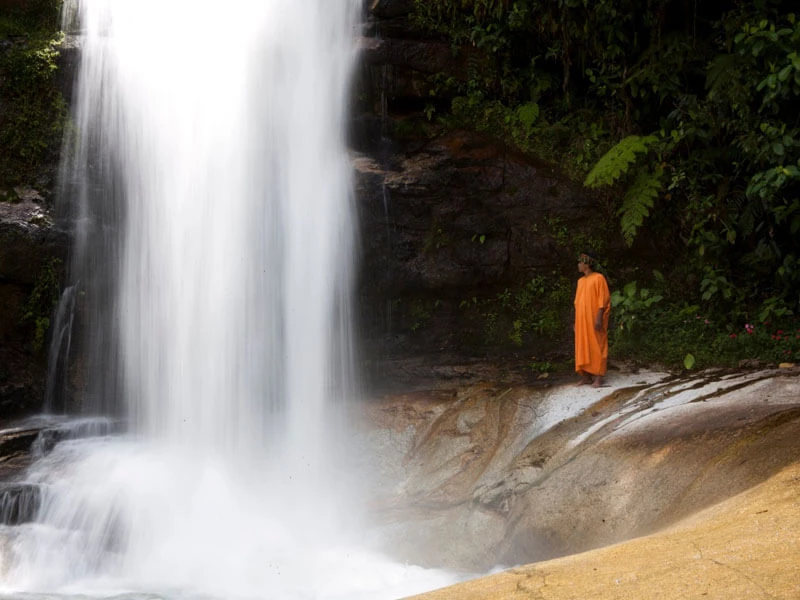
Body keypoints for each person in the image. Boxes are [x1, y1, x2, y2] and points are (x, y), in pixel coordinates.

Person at [574, 250, 611, 387]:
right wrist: (576, 322)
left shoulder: (598, 278)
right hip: (582, 320)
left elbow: (603, 299)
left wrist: (599, 318)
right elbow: (577, 303)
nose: (578, 265)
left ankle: (598, 377)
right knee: (583, 346)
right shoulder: (580, 281)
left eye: (580, 262)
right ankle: (586, 375)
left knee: (597, 344)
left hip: (594, 318)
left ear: (587, 264)